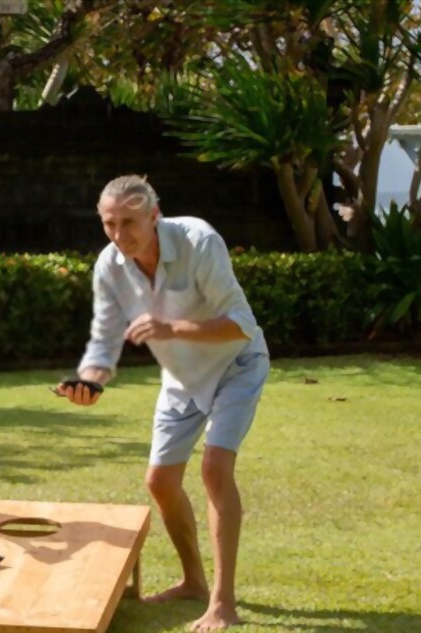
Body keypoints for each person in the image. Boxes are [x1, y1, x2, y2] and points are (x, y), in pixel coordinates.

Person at [60, 175, 269, 632]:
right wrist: (88, 383)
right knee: (159, 481)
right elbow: (105, 340)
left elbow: (239, 326)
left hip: (237, 365)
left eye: (129, 222)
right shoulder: (109, 264)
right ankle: (193, 581)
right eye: (109, 224)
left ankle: (222, 602)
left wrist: (171, 329)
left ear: (155, 215)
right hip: (182, 377)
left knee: (215, 468)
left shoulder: (199, 241)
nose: (119, 235)